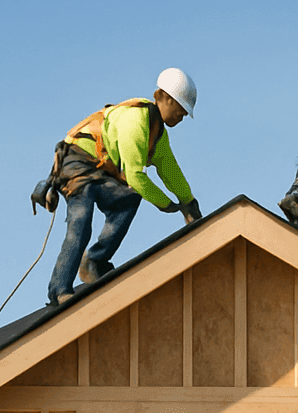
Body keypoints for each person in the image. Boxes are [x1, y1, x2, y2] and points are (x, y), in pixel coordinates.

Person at [40, 68, 201, 305]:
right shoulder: (135, 121)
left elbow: (170, 170)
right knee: (81, 221)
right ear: (165, 97)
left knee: (126, 200)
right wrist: (166, 204)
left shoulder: (156, 133)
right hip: (76, 161)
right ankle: (59, 289)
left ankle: (93, 263)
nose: (183, 115)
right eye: (181, 109)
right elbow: (135, 176)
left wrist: (189, 202)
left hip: (98, 171)